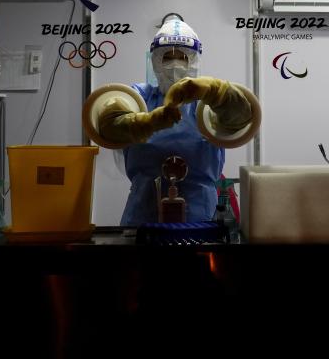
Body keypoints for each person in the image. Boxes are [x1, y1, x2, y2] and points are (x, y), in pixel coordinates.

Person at [95, 14, 253, 225]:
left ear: (194, 59)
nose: (175, 64)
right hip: (143, 219)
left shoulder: (208, 105)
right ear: (155, 60)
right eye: (167, 57)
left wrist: (216, 91)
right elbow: (106, 123)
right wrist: (147, 122)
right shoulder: (138, 97)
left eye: (182, 56)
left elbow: (242, 115)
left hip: (200, 221)